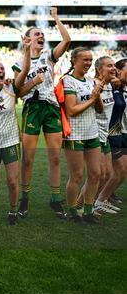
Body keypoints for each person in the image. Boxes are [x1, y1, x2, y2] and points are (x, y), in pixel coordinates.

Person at [13, 7, 72, 219]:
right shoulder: (20, 62)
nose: (41, 36)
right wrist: (32, 82)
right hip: (32, 107)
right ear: (27, 39)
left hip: (51, 107)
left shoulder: (49, 56)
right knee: (28, 158)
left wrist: (56, 17)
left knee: (55, 157)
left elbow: (67, 41)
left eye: (42, 34)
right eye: (36, 33)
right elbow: (18, 92)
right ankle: (24, 199)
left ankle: (55, 199)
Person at [0, 40, 43, 226]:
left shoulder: (11, 88)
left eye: (2, 69)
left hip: (11, 142)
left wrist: (26, 50)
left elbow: (25, 70)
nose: (1, 71)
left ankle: (13, 212)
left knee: (13, 182)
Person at [59, 47, 103, 224]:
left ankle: (88, 211)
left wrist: (97, 95)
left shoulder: (92, 81)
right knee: (76, 175)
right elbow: (71, 110)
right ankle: (73, 212)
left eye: (90, 60)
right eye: (84, 59)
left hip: (92, 133)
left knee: (95, 174)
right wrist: (92, 99)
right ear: (74, 61)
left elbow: (99, 109)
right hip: (74, 134)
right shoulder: (68, 81)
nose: (88, 63)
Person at [96, 59, 127, 211]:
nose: (113, 69)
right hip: (111, 132)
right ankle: (98, 201)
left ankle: (102, 199)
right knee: (113, 171)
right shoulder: (114, 86)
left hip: (119, 132)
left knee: (114, 172)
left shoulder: (119, 86)